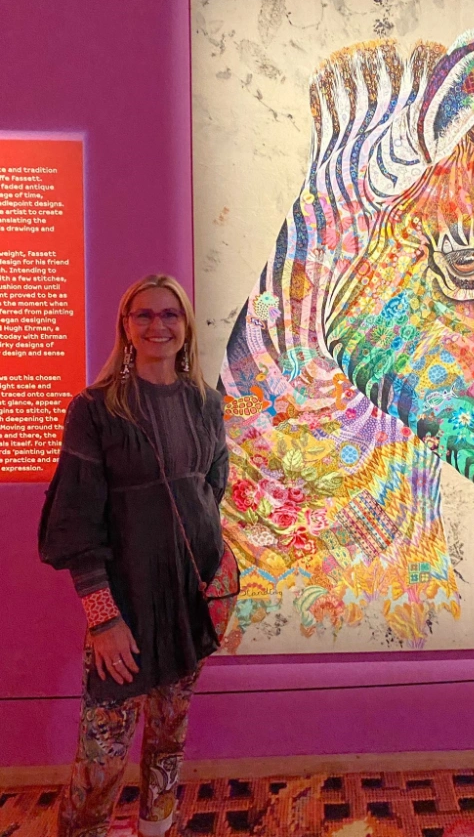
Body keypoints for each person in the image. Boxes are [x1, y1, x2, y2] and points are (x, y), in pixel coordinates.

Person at [39, 274, 230, 837]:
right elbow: (76, 520)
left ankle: (156, 827)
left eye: (170, 314)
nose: (157, 325)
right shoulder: (95, 409)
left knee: (170, 735)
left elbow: (210, 489)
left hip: (190, 598)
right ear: (125, 326)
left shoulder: (205, 403)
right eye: (143, 315)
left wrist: (210, 574)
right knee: (102, 754)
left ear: (186, 325)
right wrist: (104, 619)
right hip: (123, 604)